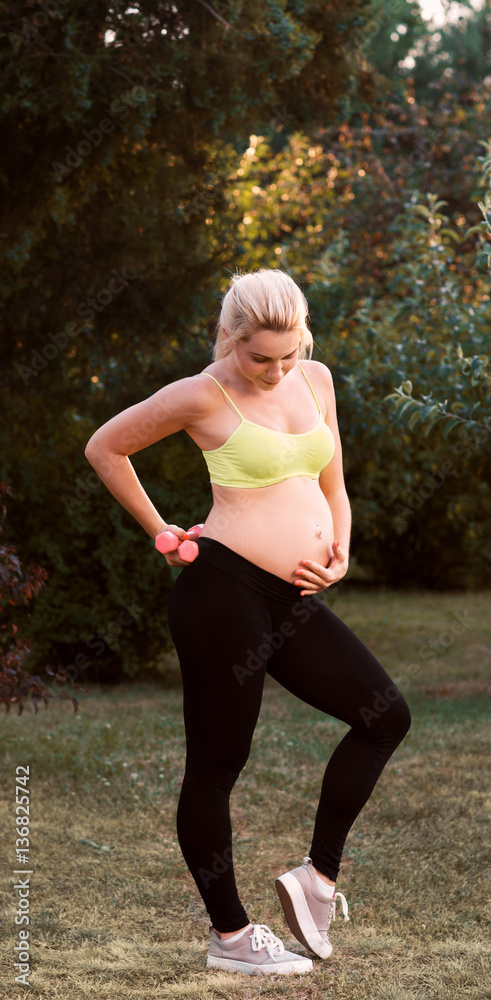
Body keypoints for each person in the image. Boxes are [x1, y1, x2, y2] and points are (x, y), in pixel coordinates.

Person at [84, 268, 411, 977]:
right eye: (259, 356)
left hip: (294, 597)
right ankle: (230, 936)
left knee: (385, 716)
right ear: (231, 338)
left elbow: (334, 484)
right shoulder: (202, 393)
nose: (274, 369)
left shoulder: (314, 379)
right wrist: (160, 529)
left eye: (286, 354)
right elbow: (105, 447)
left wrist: (341, 554)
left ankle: (316, 880)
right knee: (216, 766)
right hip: (222, 592)